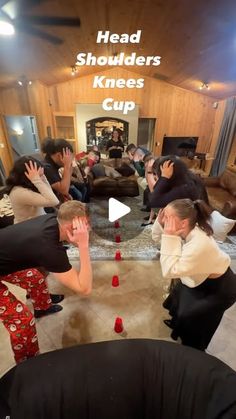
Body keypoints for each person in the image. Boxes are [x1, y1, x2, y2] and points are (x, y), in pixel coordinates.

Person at [0, 200, 92, 363]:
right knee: (22, 321)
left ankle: (42, 308)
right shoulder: (49, 249)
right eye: (85, 226)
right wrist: (83, 246)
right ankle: (27, 363)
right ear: (71, 227)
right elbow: (84, 289)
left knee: (34, 277)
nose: (88, 230)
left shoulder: (51, 220)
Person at [152, 198, 236, 350]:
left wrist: (169, 236)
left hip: (221, 289)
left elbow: (169, 270)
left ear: (183, 223)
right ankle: (178, 325)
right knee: (178, 295)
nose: (165, 220)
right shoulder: (186, 229)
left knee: (193, 318)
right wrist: (160, 223)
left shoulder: (199, 244)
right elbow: (158, 240)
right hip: (201, 276)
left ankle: (194, 349)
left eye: (168, 218)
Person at [5, 156, 59, 224]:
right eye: (36, 173)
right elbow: (54, 201)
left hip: (40, 221)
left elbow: (50, 194)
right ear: (26, 175)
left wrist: (42, 178)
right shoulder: (19, 192)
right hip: (30, 227)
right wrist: (36, 179)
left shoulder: (28, 185)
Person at [42, 138, 74, 205]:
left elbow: (64, 188)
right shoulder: (46, 167)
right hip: (47, 208)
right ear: (59, 155)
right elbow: (64, 190)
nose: (70, 159)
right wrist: (67, 165)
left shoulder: (53, 164)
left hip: (55, 200)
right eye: (69, 157)